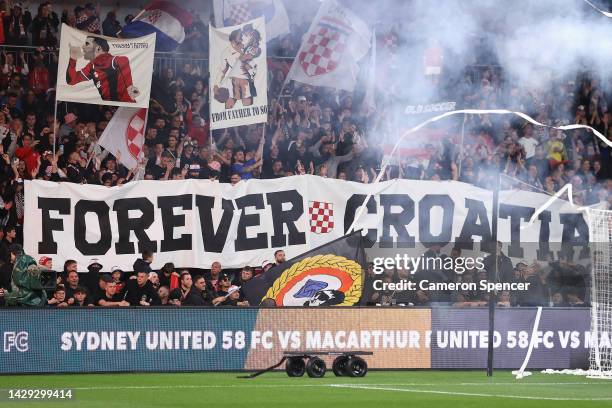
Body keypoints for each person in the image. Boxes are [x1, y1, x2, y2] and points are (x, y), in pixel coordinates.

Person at [66, 36, 139, 103]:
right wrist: (73, 58)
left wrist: (131, 89)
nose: (83, 47)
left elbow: (131, 89)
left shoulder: (118, 60)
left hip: (125, 107)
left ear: (98, 48)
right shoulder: (91, 67)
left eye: (87, 44)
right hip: (108, 107)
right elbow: (71, 81)